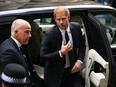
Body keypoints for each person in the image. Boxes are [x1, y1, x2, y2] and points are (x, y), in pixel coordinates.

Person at [40, 6, 85, 87]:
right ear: (55, 19)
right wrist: (61, 53)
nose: (61, 22)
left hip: (73, 72)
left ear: (69, 17)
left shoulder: (76, 27)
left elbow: (82, 46)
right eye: (58, 19)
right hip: (55, 76)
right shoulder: (49, 35)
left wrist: (79, 61)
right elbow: (42, 57)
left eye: (63, 19)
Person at [0, 19, 31, 86]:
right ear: (16, 32)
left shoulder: (14, 45)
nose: (30, 35)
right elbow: (8, 82)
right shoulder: (9, 52)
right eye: (27, 32)